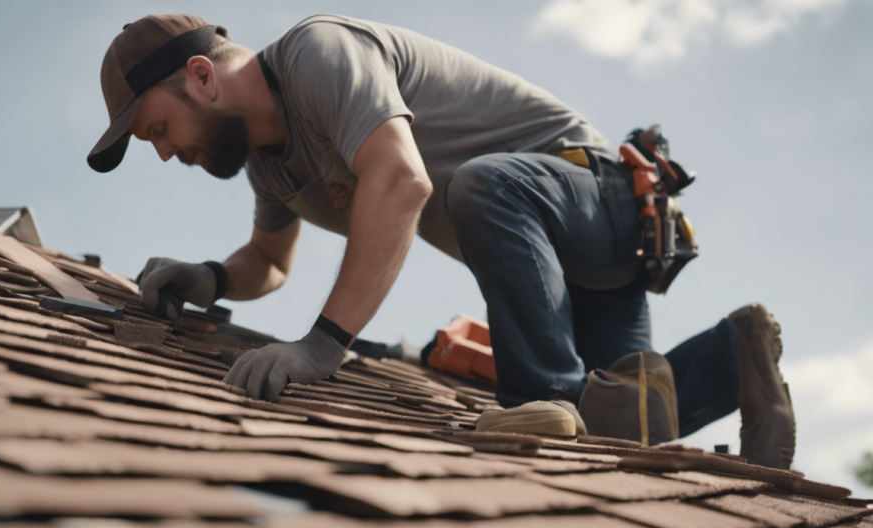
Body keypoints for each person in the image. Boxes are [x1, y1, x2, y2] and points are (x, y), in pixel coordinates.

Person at [86, 14, 795, 469]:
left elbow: (401, 179)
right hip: (562, 270)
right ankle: (736, 356)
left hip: (596, 199)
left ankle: (546, 392)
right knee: (627, 424)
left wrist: (322, 343)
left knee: (480, 187)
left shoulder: (317, 56)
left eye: (156, 130)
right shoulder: (274, 165)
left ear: (201, 77)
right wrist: (209, 276)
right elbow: (269, 262)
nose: (163, 154)